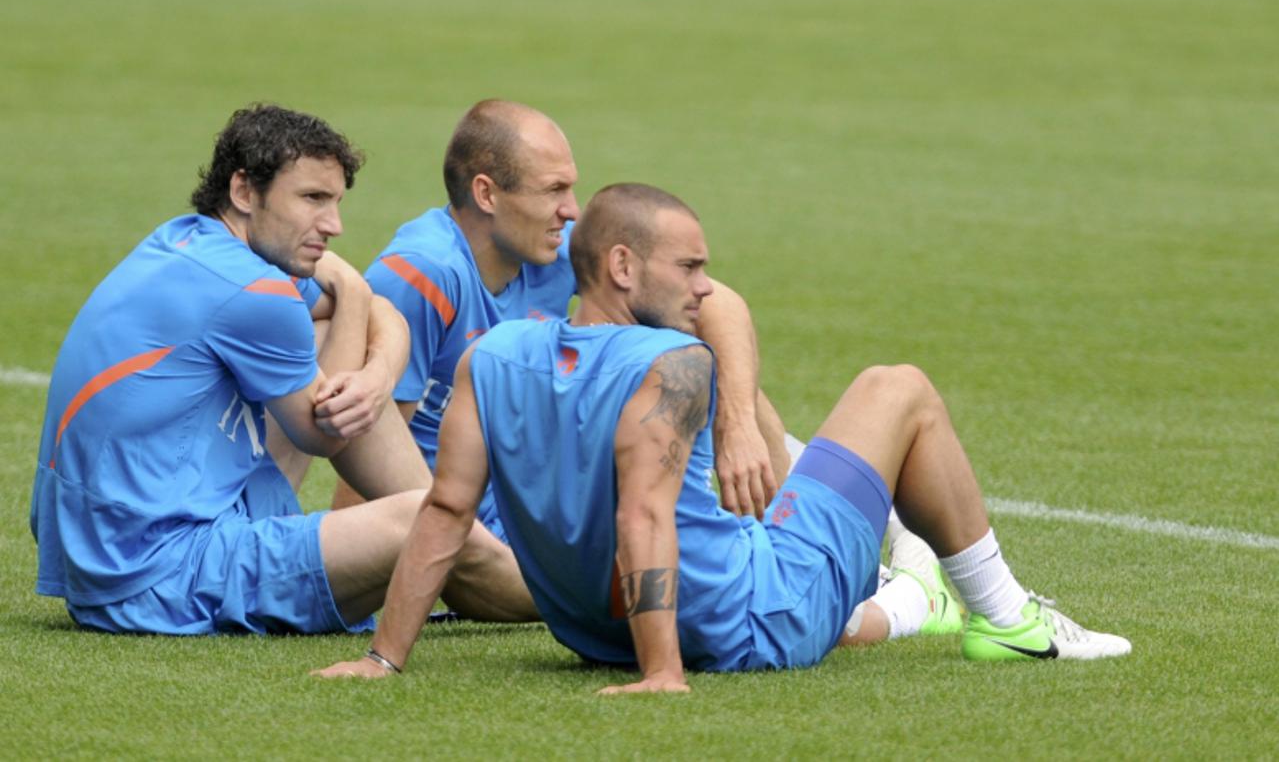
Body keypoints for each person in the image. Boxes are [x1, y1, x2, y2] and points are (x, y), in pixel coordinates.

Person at [314, 183, 1131, 688]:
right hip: (749, 617)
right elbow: (643, 519)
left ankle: (911, 590)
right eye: (693, 269)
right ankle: (1005, 618)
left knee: (761, 523)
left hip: (596, 636)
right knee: (897, 388)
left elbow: (445, 510)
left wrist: (386, 657)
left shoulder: (492, 356)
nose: (707, 288)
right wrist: (665, 673)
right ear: (624, 268)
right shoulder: (674, 361)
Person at [29, 103, 528, 635]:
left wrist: (377, 374)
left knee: (329, 341)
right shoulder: (257, 292)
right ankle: (573, 600)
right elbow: (324, 431)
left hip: (112, 554)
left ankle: (460, 534)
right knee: (418, 521)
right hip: (163, 575)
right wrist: (356, 294)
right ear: (244, 192)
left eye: (336, 202)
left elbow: (383, 318)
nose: (333, 225)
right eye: (313, 199)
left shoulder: (190, 241)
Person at [339, 100, 785, 528]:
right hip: (473, 528)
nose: (572, 209)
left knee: (719, 370)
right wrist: (361, 577)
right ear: (486, 194)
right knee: (659, 553)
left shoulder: (551, 245)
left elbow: (714, 301)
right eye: (554, 189)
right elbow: (372, 443)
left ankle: (781, 523)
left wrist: (738, 426)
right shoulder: (423, 274)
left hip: (539, 495)